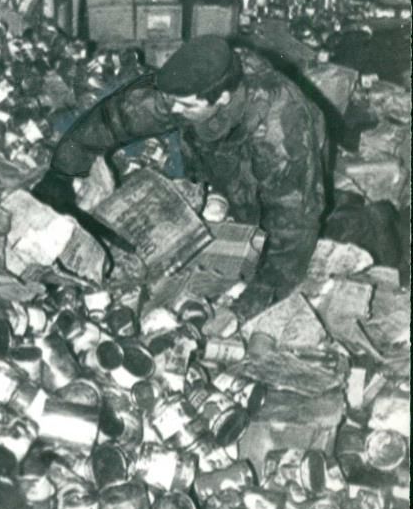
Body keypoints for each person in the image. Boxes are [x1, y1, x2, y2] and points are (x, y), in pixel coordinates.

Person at [34, 36, 328, 320]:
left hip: (286, 163)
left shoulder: (281, 129)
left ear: (223, 98)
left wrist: (250, 304)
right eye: (173, 101)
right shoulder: (192, 87)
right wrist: (63, 170)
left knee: (256, 227)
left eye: (185, 105)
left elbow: (294, 224)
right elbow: (118, 117)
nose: (173, 110)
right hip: (217, 141)